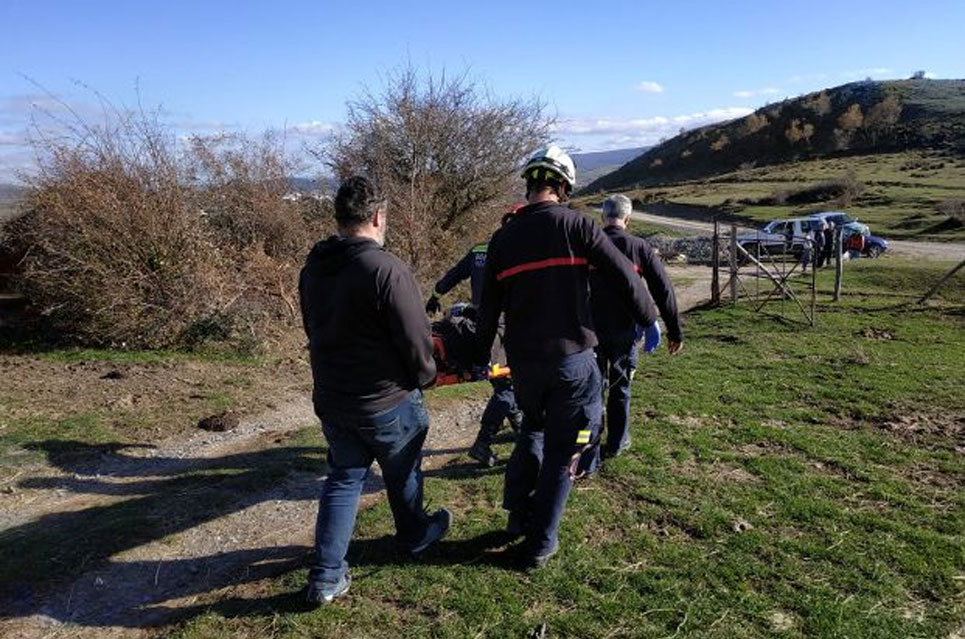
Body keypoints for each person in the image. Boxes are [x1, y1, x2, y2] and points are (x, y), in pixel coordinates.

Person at [476, 145, 659, 569]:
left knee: (533, 429)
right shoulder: (578, 226)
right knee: (567, 448)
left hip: (524, 365)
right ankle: (540, 543)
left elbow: (488, 309)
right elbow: (625, 277)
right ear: (563, 186)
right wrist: (649, 319)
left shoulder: (502, 239)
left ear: (530, 185)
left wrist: (478, 353)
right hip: (573, 360)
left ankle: (517, 515)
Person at [298, 176, 451, 605]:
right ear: (378, 216)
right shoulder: (386, 269)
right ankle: (415, 534)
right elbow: (416, 338)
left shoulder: (313, 268)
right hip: (385, 400)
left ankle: (327, 577)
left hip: (333, 397)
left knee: (344, 479)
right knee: (402, 469)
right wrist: (425, 377)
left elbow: (313, 327)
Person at [586, 194, 683, 470]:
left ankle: (589, 441)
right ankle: (617, 442)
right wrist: (674, 331)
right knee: (620, 387)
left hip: (589, 330)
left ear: (602, 218)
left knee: (592, 387)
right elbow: (663, 291)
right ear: (627, 219)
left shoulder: (588, 245)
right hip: (624, 330)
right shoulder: (639, 247)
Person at [426, 205, 526, 467]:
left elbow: (452, 275)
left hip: (477, 328)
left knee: (505, 384)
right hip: (503, 330)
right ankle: (483, 443)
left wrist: (435, 297)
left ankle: (522, 431)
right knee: (508, 386)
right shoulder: (518, 253)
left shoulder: (481, 249)